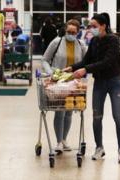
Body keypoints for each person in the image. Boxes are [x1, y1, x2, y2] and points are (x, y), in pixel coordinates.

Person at [64, 13, 120, 163]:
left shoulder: (113, 40)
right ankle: (99, 148)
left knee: (118, 116)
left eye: (94, 26)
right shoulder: (93, 41)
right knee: (96, 117)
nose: (91, 28)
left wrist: (86, 70)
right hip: (99, 83)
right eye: (90, 26)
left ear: (103, 26)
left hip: (114, 82)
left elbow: (108, 62)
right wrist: (71, 68)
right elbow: (86, 61)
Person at [41, 19, 87, 154]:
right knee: (59, 111)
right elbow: (44, 60)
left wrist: (84, 72)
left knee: (68, 111)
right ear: (65, 31)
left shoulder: (81, 44)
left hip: (74, 82)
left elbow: (86, 62)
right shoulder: (56, 42)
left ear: (78, 33)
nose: (71, 34)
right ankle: (58, 142)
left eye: (74, 32)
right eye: (69, 32)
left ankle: (65, 139)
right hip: (58, 81)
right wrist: (50, 73)